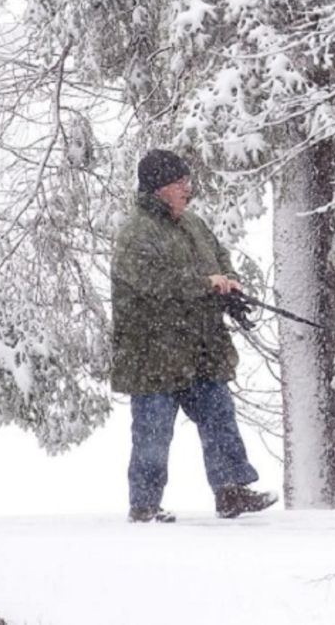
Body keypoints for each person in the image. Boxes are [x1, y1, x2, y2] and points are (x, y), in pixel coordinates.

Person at [110, 149, 277, 523]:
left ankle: (231, 491)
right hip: (153, 353)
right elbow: (153, 284)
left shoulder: (195, 225)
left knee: (220, 418)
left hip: (202, 348)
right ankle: (145, 505)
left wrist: (230, 288)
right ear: (158, 188)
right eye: (180, 182)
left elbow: (221, 262)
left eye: (187, 181)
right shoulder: (134, 233)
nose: (188, 188)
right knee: (153, 434)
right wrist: (205, 285)